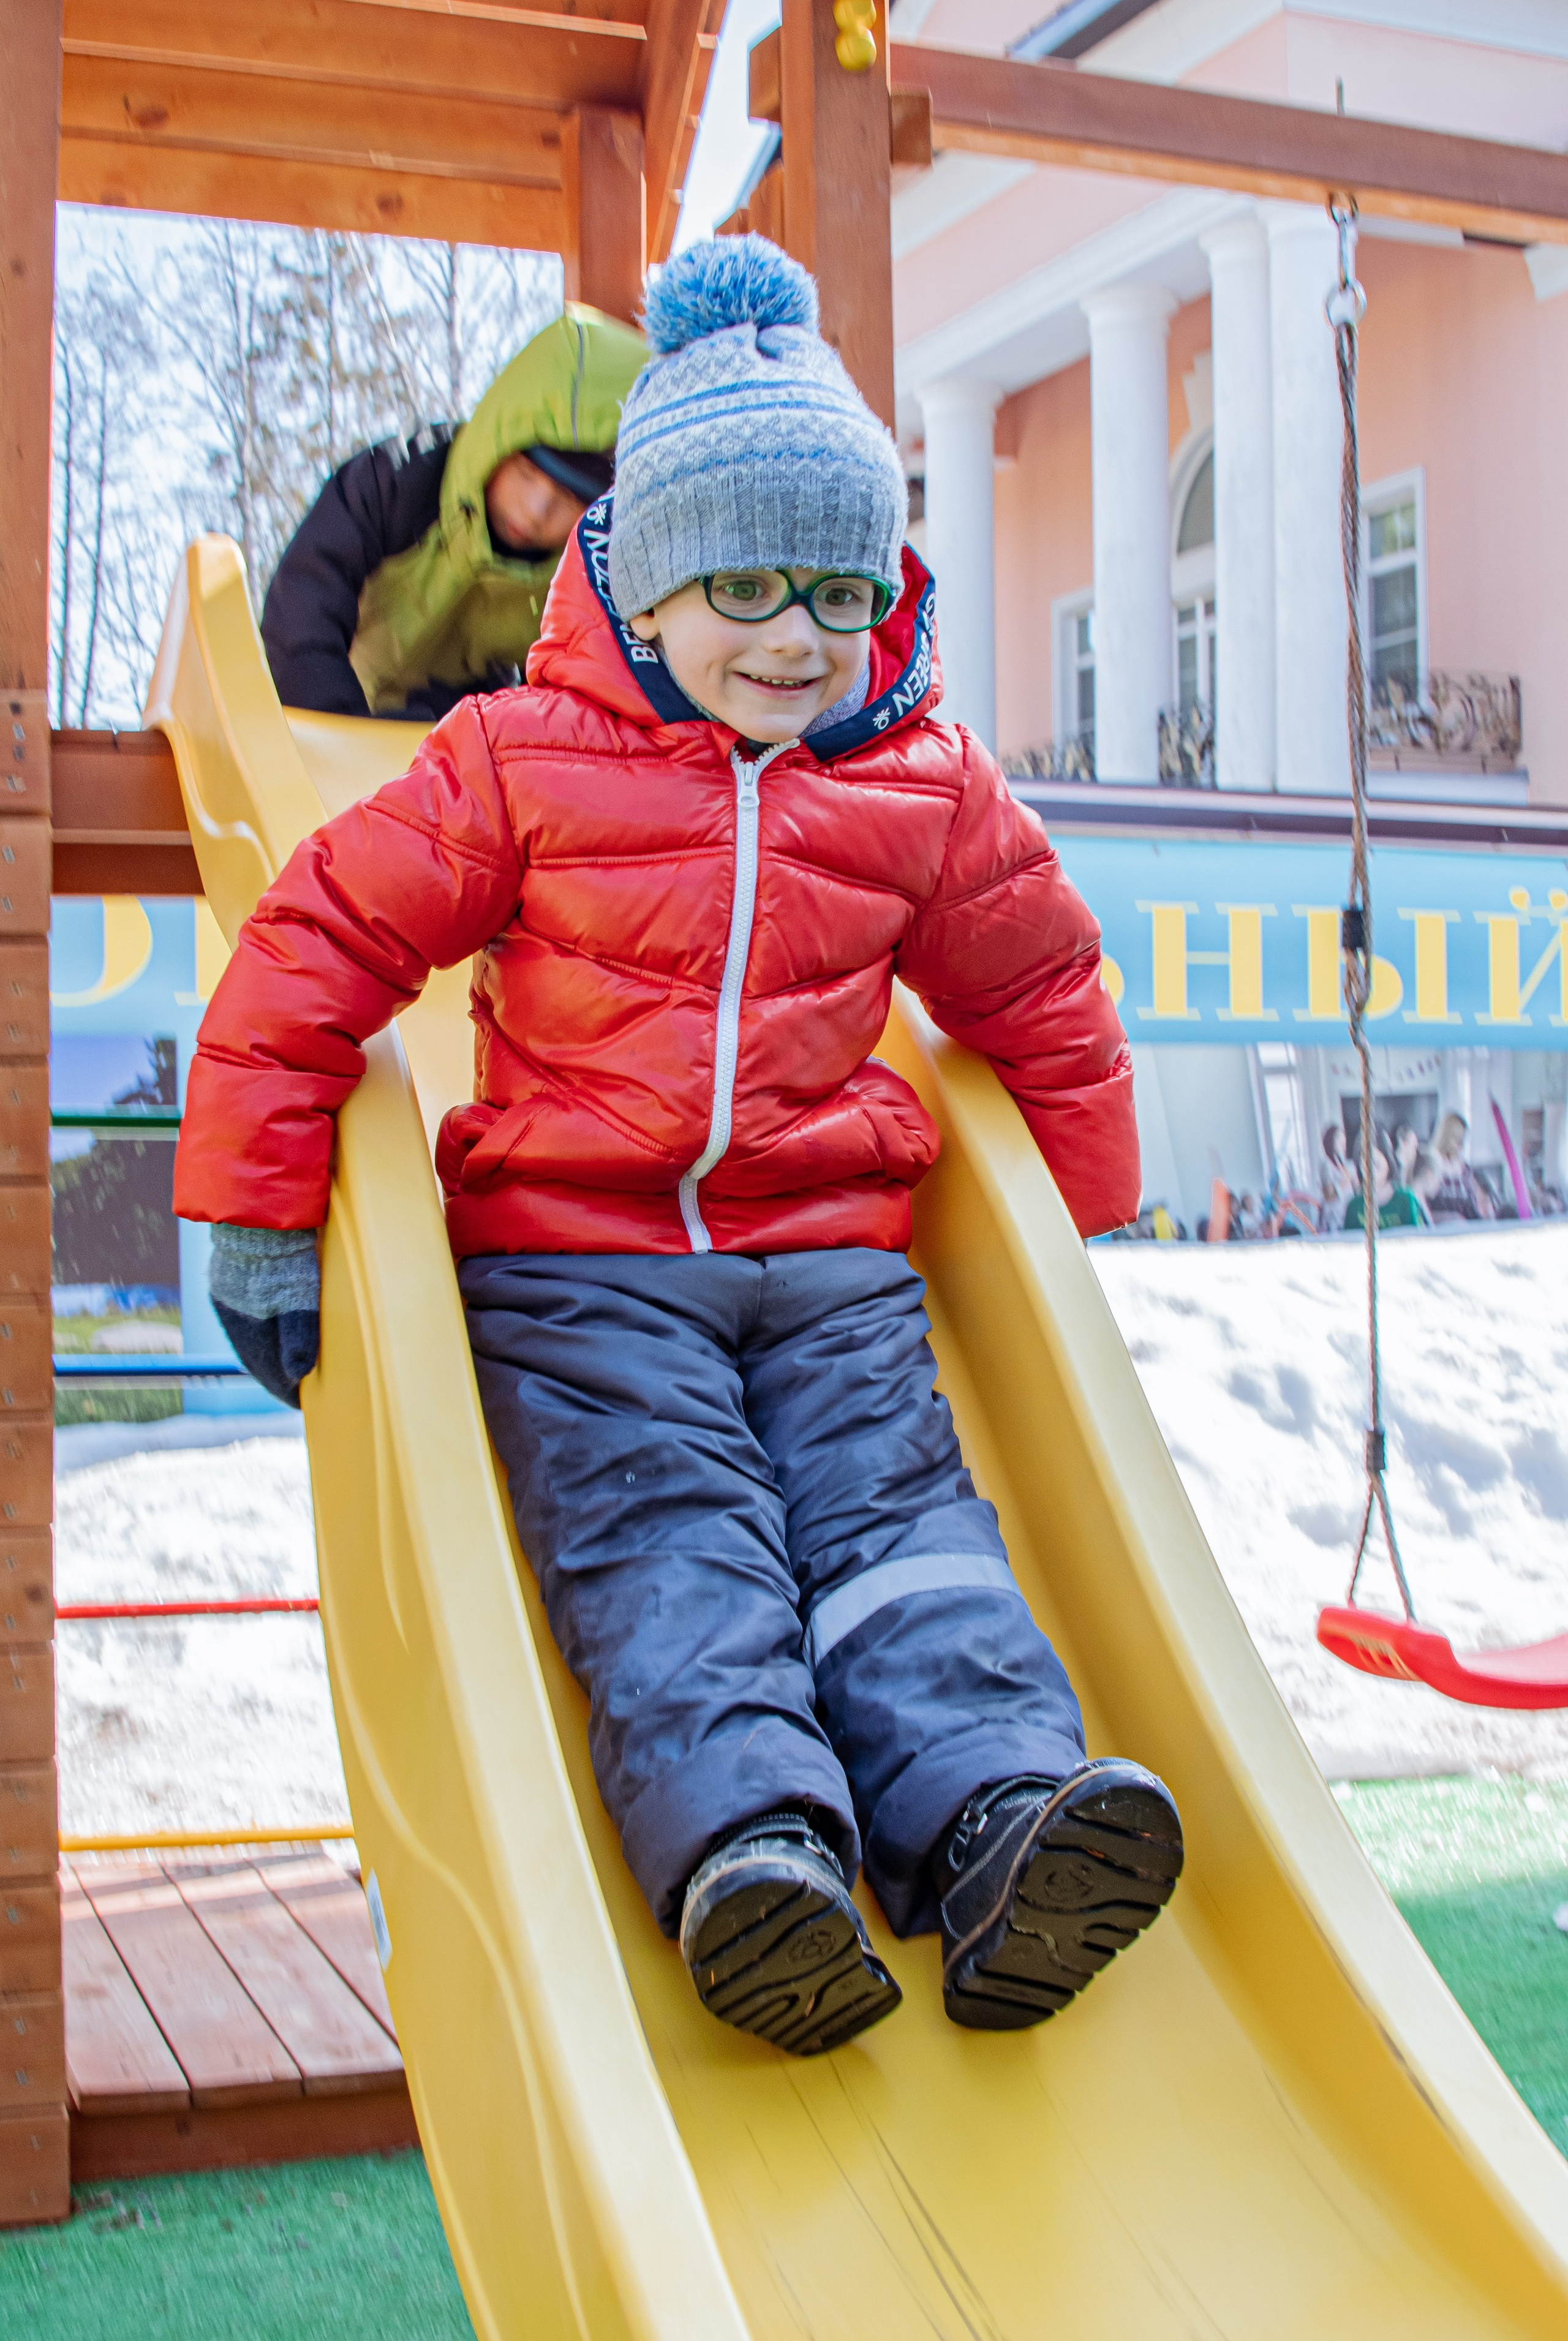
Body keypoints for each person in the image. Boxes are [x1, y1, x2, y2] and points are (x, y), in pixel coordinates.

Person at [174, 236, 1182, 2059]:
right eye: (741, 588)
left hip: (833, 1268)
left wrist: (1078, 1194)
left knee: (905, 1532)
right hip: (581, 1268)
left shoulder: (914, 778)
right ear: (644, 580)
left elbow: (1038, 973)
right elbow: (320, 938)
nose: (794, 638)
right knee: (670, 1539)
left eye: (834, 590)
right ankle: (752, 1851)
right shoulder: (518, 759)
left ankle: (993, 1819)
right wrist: (254, 1198)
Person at [261, 307, 647, 723]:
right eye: (525, 473)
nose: (536, 512)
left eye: (571, 499)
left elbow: (573, 700)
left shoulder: (579, 579)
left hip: (443, 739)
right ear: (495, 443)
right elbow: (304, 600)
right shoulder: (398, 481)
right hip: (319, 704)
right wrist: (334, 729)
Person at [1344, 1128, 1430, 1231]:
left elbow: (1418, 1239)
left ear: (1388, 1159)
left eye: (1376, 1164)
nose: (1371, 1168)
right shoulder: (1354, 1207)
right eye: (1366, 1163)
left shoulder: (1406, 1200)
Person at [1422, 1110, 1495, 1223]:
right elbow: (1423, 1205)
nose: (1461, 1146)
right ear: (1448, 1138)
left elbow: (1471, 1204)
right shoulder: (1429, 1162)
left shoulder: (1464, 1168)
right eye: (1459, 1141)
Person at [1317, 1123, 1355, 1233]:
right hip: (1333, 1217)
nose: (1343, 1143)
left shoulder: (1344, 1164)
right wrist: (1346, 1181)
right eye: (1339, 1139)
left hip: (1346, 1214)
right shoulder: (1326, 1164)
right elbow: (1328, 1195)